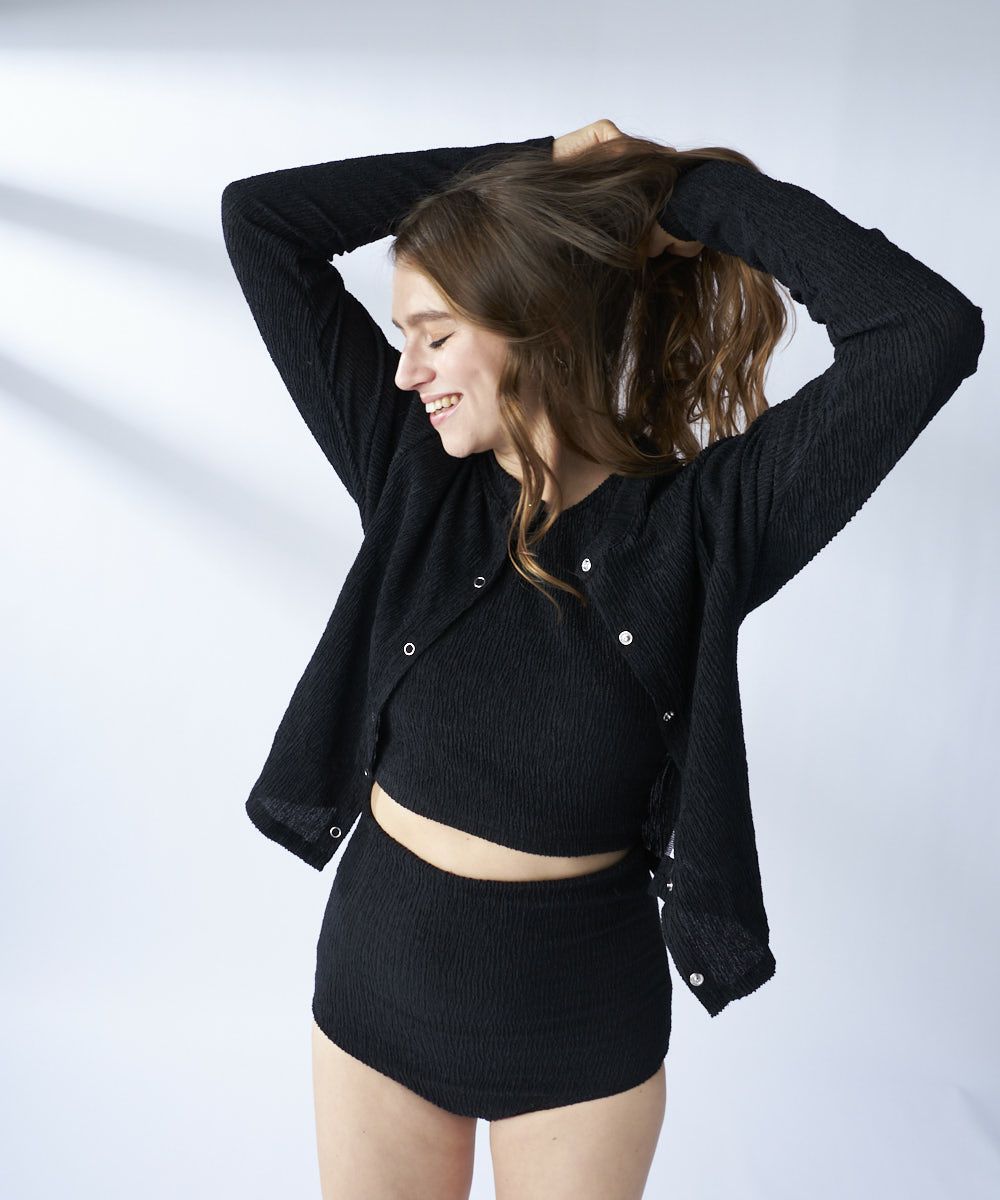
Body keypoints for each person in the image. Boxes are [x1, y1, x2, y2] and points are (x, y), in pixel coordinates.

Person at [220, 119, 984, 1200]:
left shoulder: (702, 532)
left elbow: (926, 328)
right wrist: (536, 172)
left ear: (532, 323)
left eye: (435, 334)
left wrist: (671, 196)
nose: (404, 371)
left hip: (580, 1031)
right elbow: (261, 221)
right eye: (401, 336)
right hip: (375, 987)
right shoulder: (409, 473)